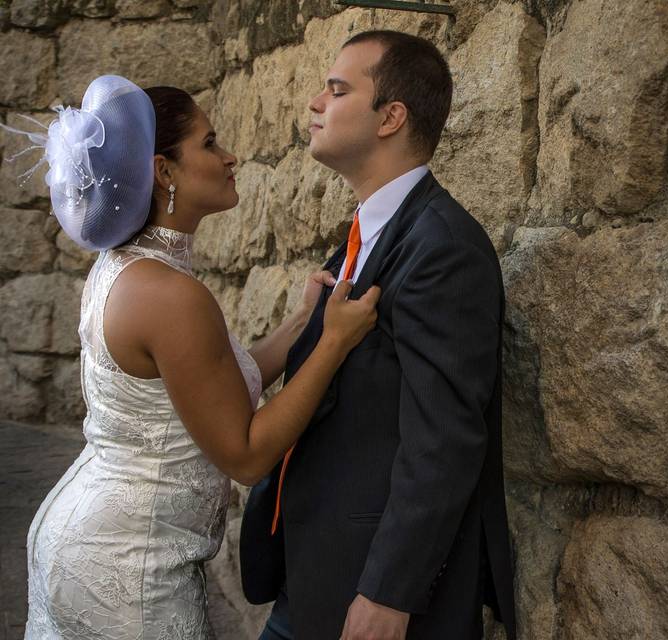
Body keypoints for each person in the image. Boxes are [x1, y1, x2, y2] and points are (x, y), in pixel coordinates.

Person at [4, 75, 379, 639]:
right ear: (163, 171)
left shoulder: (127, 268)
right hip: (126, 571)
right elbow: (246, 455)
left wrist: (306, 319)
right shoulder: (170, 295)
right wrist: (334, 344)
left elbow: (213, 384)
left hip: (87, 539)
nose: (230, 157)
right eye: (209, 143)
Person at [240, 31, 517, 640]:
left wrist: (388, 593)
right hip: (312, 576)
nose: (315, 102)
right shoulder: (363, 236)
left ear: (391, 117)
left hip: (367, 596)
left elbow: (443, 440)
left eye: (337, 90)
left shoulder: (444, 248)